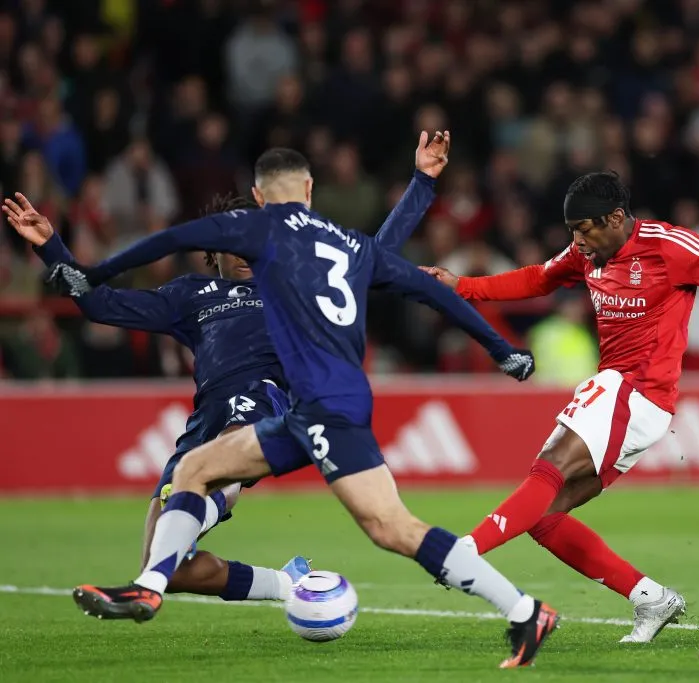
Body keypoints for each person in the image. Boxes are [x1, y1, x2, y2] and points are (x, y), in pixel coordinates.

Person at [45, 147, 557, 669]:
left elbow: (173, 238)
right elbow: (429, 289)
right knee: (197, 469)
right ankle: (150, 587)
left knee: (392, 528)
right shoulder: (348, 246)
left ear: (261, 197)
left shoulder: (264, 232)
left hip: (319, 407)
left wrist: (95, 268)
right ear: (311, 191)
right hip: (321, 406)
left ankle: (523, 609)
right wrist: (502, 349)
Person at [3, 131, 453, 607]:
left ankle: (216, 493)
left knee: (219, 465)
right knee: (167, 566)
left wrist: (422, 182)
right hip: (205, 421)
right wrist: (52, 247)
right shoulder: (189, 296)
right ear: (213, 252)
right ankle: (288, 584)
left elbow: (374, 255)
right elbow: (100, 304)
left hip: (264, 402)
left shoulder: (295, 285)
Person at [422, 171, 699, 643]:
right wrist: (463, 286)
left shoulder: (669, 246)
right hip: (623, 396)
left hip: (635, 391)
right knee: (544, 516)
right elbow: (538, 278)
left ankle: (464, 552)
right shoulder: (585, 253)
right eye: (572, 230)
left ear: (615, 218)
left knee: (549, 468)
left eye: (585, 228)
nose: (577, 240)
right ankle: (649, 597)